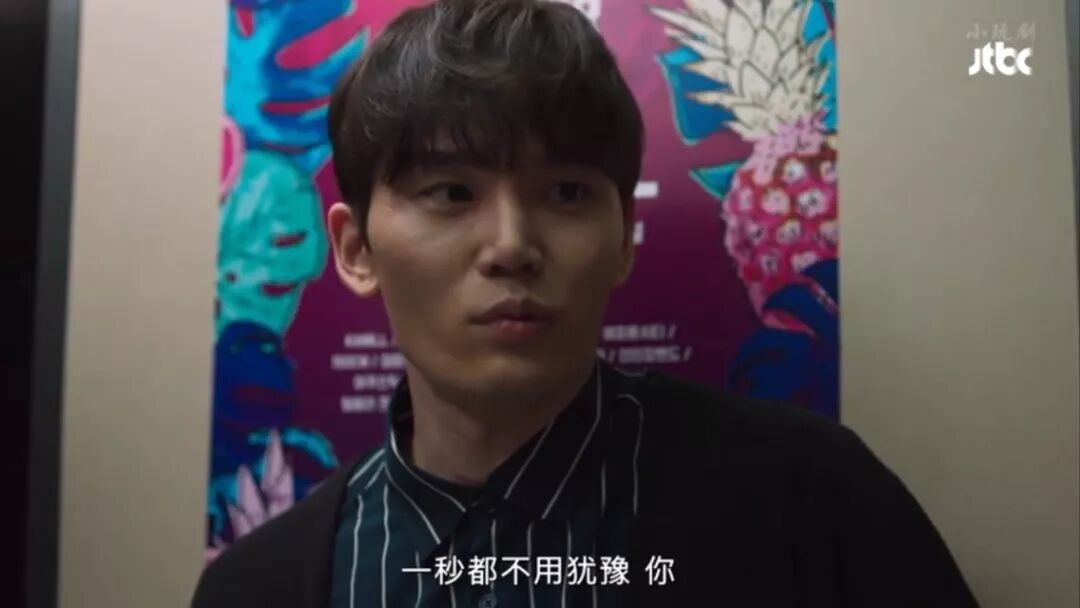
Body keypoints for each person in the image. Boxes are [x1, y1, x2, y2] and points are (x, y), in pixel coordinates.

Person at [192, 0, 978, 606]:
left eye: (566, 192)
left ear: (624, 236)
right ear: (356, 249)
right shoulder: (255, 589)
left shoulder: (814, 506)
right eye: (451, 193)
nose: (511, 245)